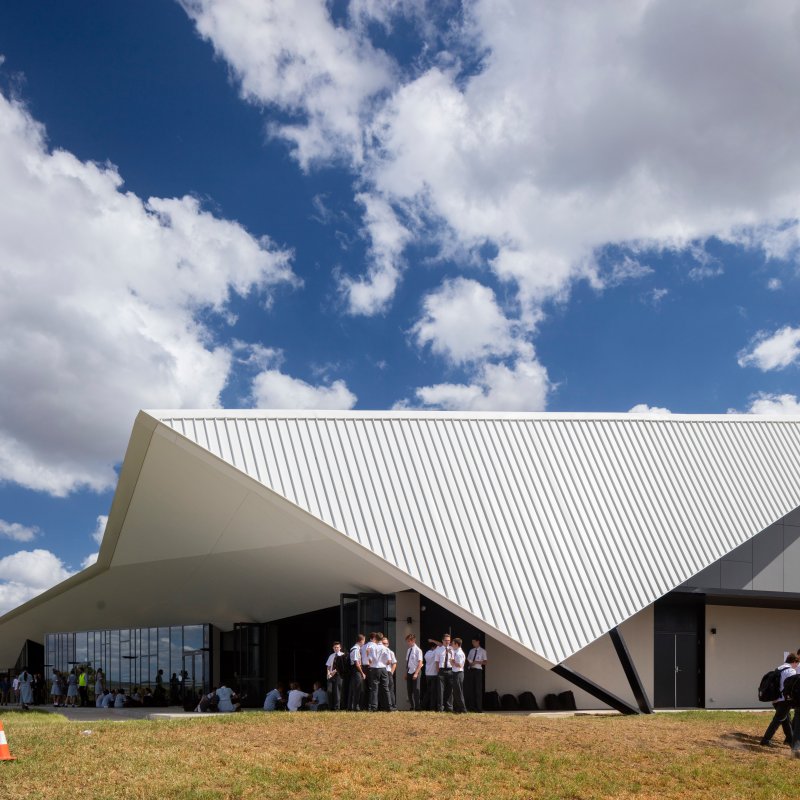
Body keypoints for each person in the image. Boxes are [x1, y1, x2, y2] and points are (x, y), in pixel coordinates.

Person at [761, 653, 799, 746]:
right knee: (777, 720)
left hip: (775, 699)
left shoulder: (779, 668)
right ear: (794, 662)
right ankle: (765, 740)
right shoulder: (791, 671)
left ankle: (789, 740)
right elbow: (790, 686)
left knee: (786, 720)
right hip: (784, 700)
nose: (797, 666)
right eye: (797, 663)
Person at [366, 632, 391, 712]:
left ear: (376, 638)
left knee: (374, 688)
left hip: (374, 668)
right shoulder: (386, 648)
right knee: (385, 687)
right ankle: (388, 706)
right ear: (382, 638)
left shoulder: (373, 647)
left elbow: (370, 659)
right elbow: (389, 661)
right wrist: (384, 663)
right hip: (383, 668)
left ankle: (374, 707)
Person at [465, 637, 488, 712]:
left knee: (478, 689)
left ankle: (479, 708)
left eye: (474, 642)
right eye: (472, 642)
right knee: (471, 689)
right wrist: (470, 663)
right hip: (471, 670)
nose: (473, 643)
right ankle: (471, 707)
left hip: (478, 671)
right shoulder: (471, 650)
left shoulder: (482, 651)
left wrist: (477, 662)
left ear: (478, 642)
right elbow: (468, 659)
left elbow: (485, 662)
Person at [404, 633, 424, 711]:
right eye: (407, 641)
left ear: (413, 640)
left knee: (416, 690)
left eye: (409, 641)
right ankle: (412, 706)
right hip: (409, 671)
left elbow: (420, 662)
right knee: (409, 690)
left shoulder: (418, 650)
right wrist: (406, 672)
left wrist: (416, 673)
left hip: (416, 671)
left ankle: (417, 707)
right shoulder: (408, 650)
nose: (408, 643)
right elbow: (408, 662)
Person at [325, 641, 346, 711]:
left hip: (338, 675)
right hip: (331, 675)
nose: (336, 649)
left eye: (337, 647)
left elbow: (342, 666)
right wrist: (328, 673)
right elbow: (328, 666)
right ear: (333, 648)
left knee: (337, 691)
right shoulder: (331, 656)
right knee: (329, 691)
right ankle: (330, 707)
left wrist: (335, 671)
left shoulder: (343, 655)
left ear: (340, 648)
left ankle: (337, 707)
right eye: (335, 647)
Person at [348, 634, 366, 710]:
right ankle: (355, 707)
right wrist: (362, 673)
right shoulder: (356, 649)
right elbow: (357, 663)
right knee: (357, 689)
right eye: (364, 641)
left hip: (354, 671)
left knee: (353, 689)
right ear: (361, 641)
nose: (364, 643)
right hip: (356, 671)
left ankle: (351, 706)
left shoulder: (354, 649)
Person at [449, 637, 467, 713]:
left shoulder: (459, 653)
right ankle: (459, 708)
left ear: (456, 644)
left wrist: (452, 662)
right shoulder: (455, 651)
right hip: (455, 673)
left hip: (458, 673)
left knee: (458, 692)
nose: (451, 645)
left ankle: (463, 709)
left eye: (453, 643)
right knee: (456, 692)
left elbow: (459, 665)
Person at [422, 640, 439, 711]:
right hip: (434, 674)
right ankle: (432, 707)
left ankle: (423, 705)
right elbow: (440, 645)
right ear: (434, 647)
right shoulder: (435, 652)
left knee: (428, 691)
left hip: (427, 674)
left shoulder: (426, 653)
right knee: (433, 692)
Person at [382, 637, 398, 711]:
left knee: (390, 689)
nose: (384, 645)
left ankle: (393, 706)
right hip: (381, 672)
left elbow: (394, 663)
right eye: (383, 643)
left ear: (388, 644)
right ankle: (384, 706)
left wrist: (391, 672)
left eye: (386, 643)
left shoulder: (390, 652)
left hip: (388, 672)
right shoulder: (379, 651)